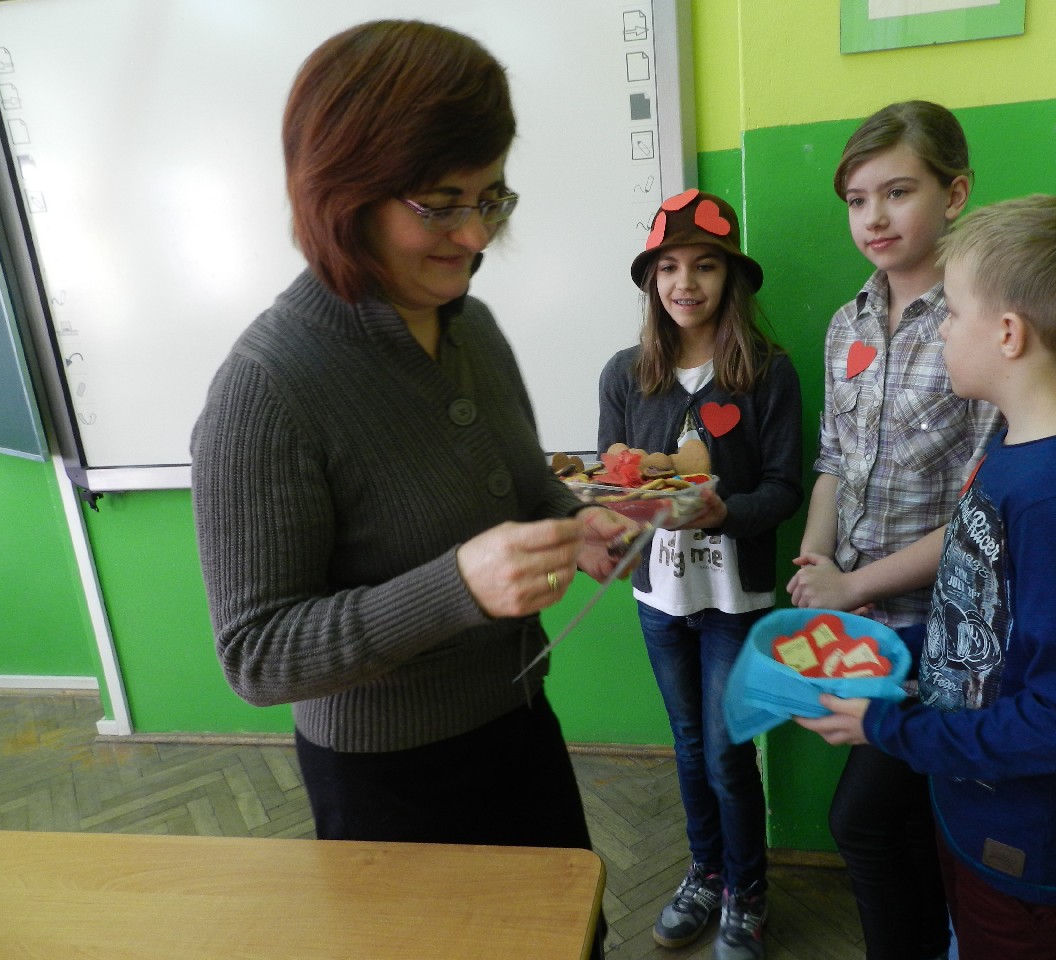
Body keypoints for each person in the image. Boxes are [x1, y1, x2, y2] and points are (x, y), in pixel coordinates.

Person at [189, 21, 634, 958]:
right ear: (342, 196)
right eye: (439, 205)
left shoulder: (474, 328)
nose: (474, 236)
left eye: (491, 197)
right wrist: (456, 587)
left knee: (570, 940)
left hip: (520, 726)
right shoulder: (266, 389)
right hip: (388, 786)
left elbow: (526, 486)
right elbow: (257, 655)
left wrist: (579, 523)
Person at [796, 194, 1056, 960]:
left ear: (1008, 334)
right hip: (977, 819)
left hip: (1035, 854)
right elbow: (982, 626)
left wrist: (887, 726)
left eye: (954, 314)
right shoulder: (1012, 458)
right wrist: (885, 664)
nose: (942, 329)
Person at [786, 101, 1003, 960]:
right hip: (857, 619)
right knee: (907, 823)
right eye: (856, 199)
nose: (872, 217)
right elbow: (832, 459)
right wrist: (817, 558)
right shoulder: (848, 324)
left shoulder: (982, 324)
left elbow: (982, 519)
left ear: (956, 193)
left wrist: (852, 584)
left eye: (897, 192)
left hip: (938, 631)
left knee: (862, 822)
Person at [598, 189, 803, 960]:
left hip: (733, 597)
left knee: (725, 750)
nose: (685, 283)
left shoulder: (768, 373)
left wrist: (721, 513)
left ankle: (747, 891)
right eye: (669, 268)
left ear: (731, 278)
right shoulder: (626, 376)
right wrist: (615, 508)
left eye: (705, 266)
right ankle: (706, 873)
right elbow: (615, 482)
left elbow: (783, 489)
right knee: (688, 744)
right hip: (661, 597)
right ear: (652, 281)